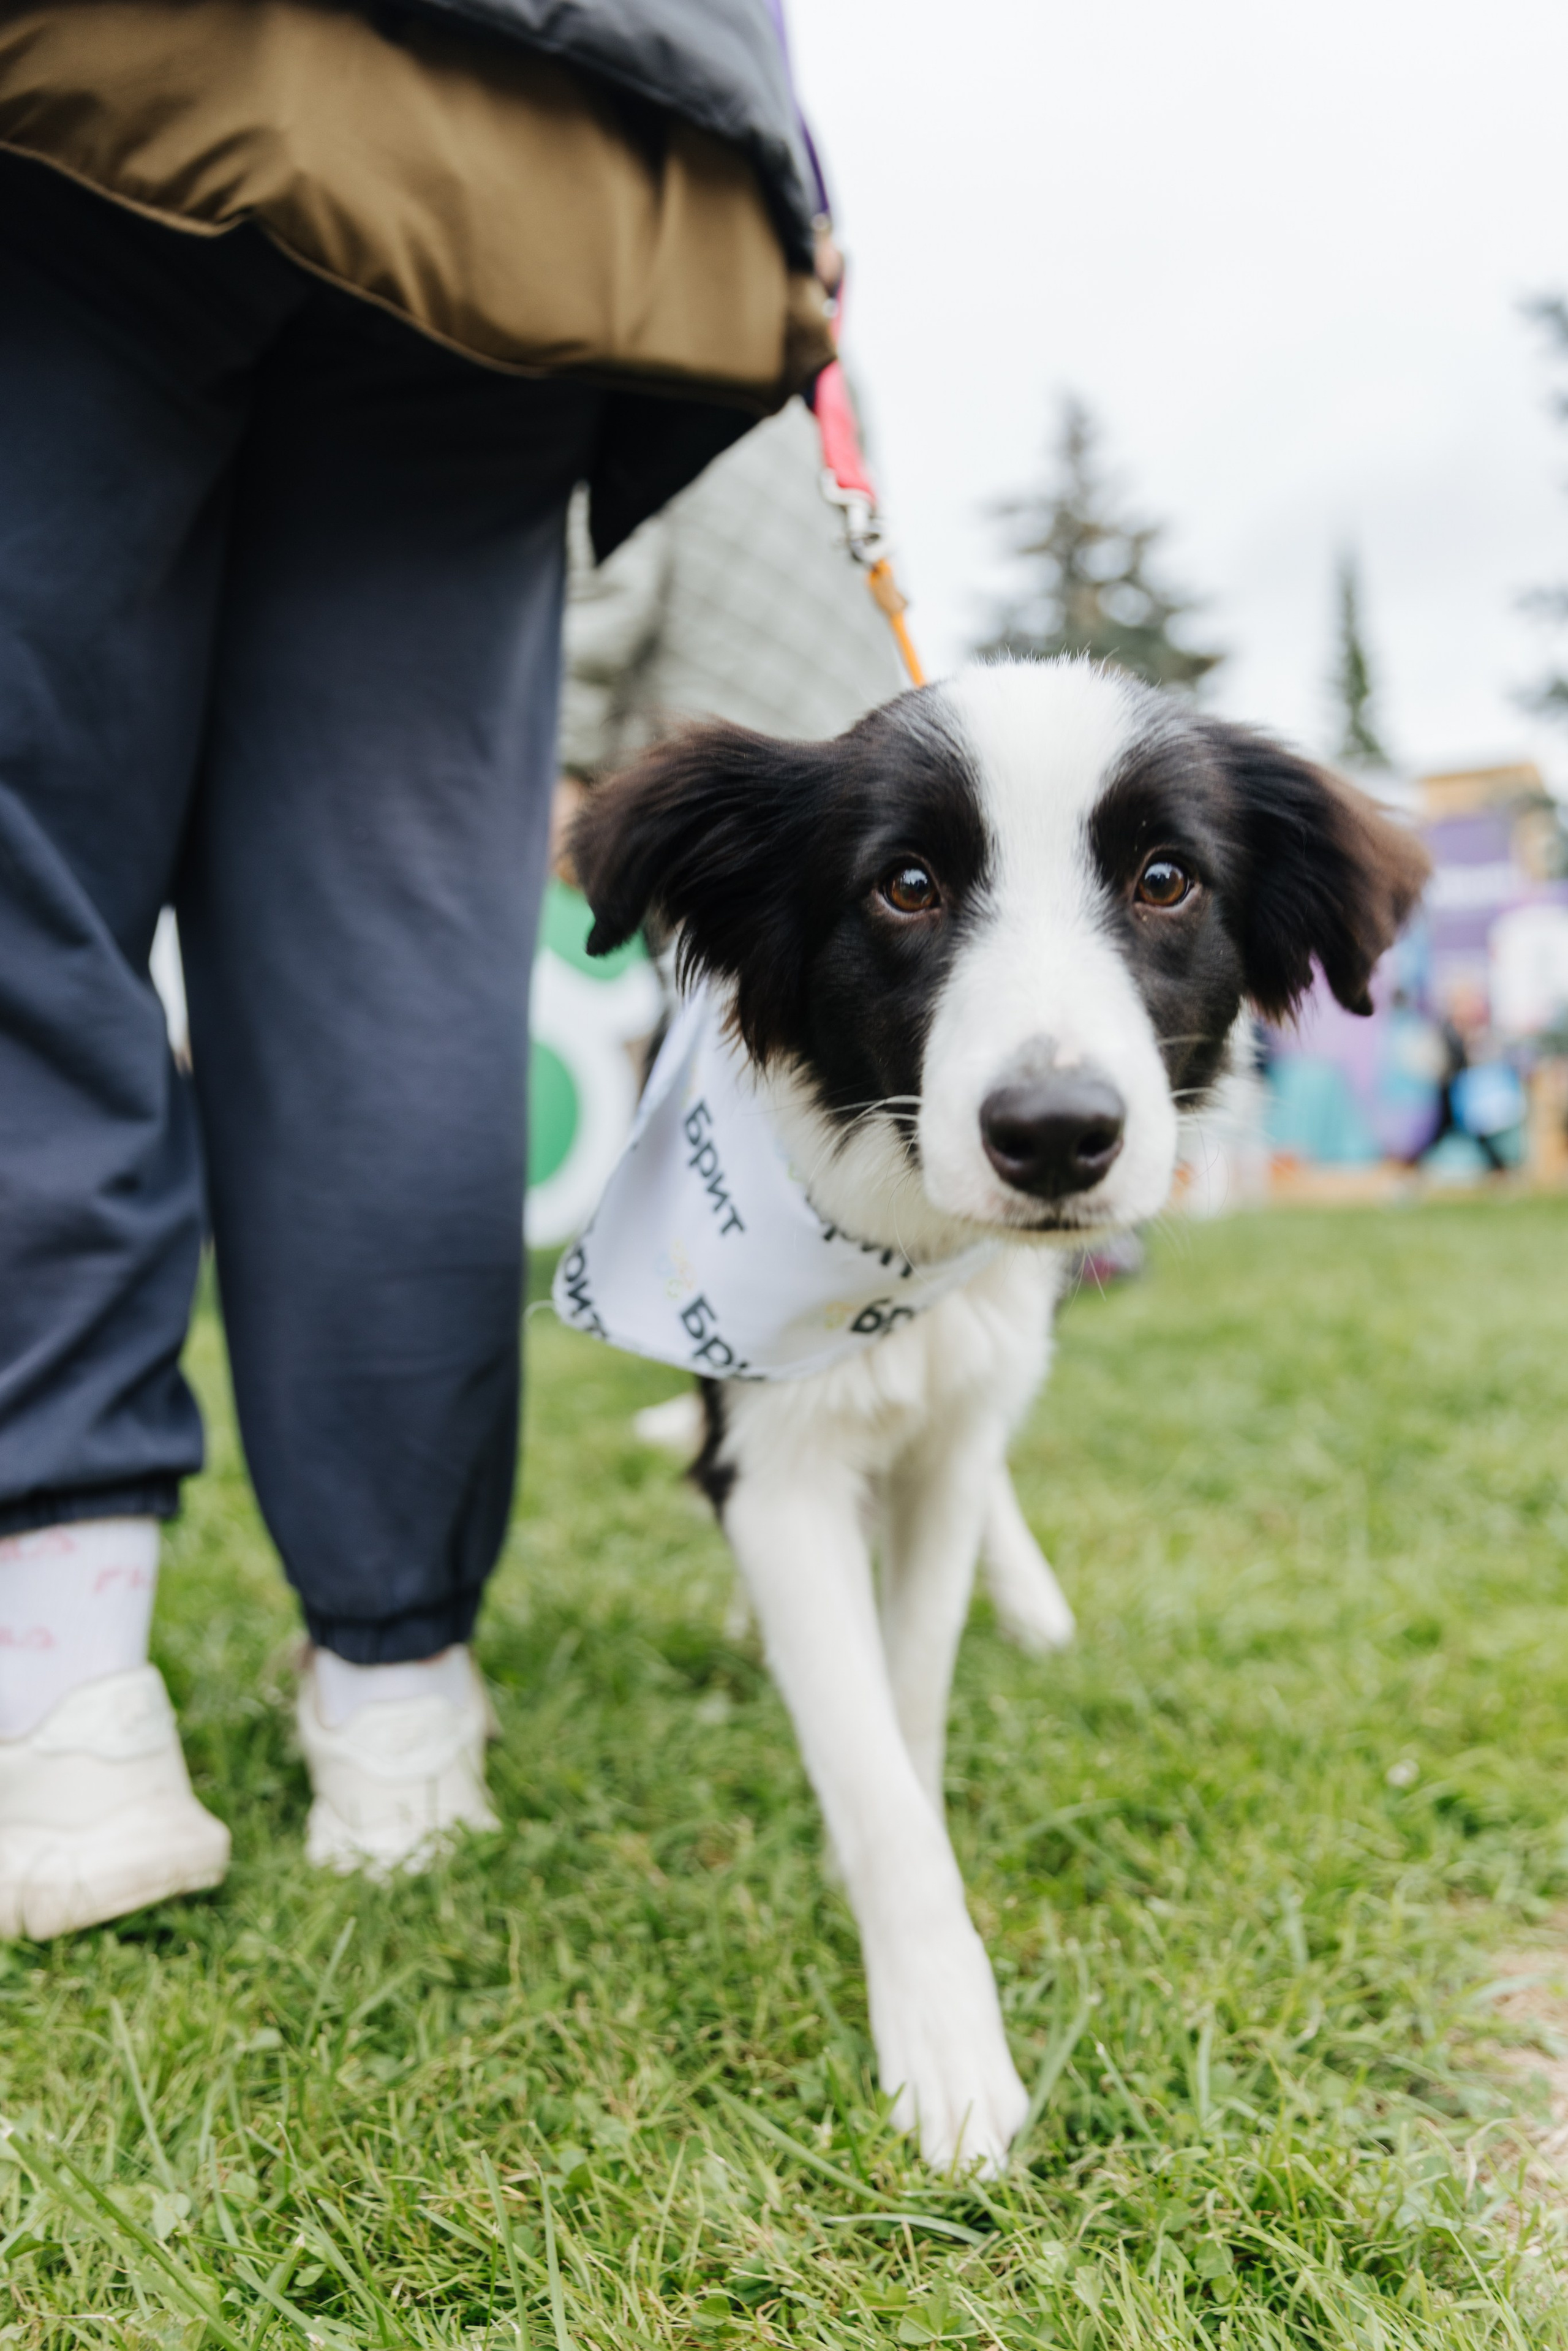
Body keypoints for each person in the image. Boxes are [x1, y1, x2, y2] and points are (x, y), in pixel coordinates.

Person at [0, 0, 834, 1934]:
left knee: (24, 866)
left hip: (108, 81)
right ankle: (397, 1696)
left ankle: (58, 1695)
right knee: (398, 924)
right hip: (548, 164)